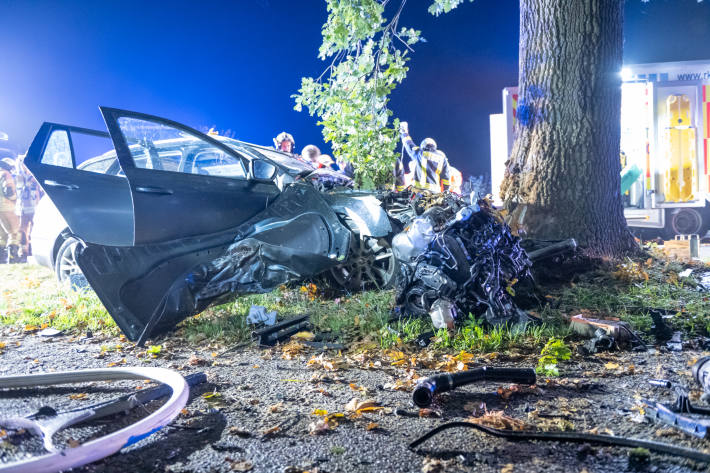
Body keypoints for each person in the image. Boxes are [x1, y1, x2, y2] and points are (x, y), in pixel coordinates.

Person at [398, 121, 451, 193]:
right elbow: (446, 178)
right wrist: (446, 192)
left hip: (419, 191)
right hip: (434, 192)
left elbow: (409, 144)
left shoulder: (419, 153)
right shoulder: (442, 158)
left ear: (423, 146)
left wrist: (404, 132)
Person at [14, 156, 41, 260]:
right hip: (33, 205)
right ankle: (32, 250)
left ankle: (23, 250)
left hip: (22, 206)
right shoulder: (33, 176)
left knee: (23, 228)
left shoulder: (17, 176)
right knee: (34, 229)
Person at [0, 157, 22, 263]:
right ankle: (12, 257)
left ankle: (2, 258)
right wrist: (15, 199)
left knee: (2, 234)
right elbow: (9, 190)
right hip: (6, 206)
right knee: (14, 232)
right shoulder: (5, 174)